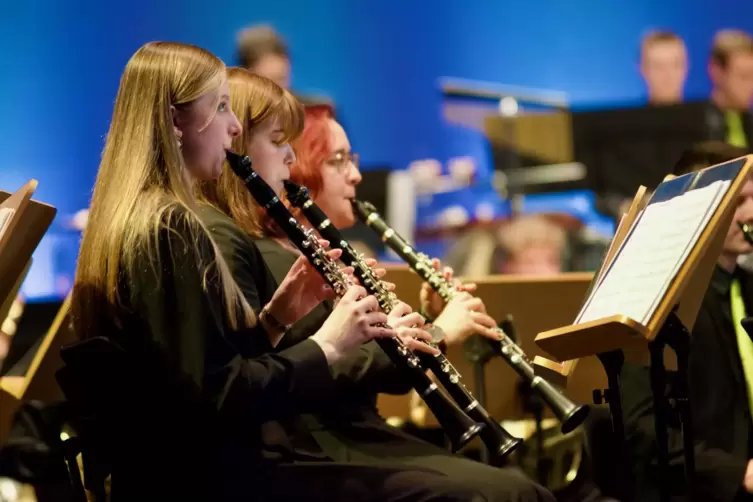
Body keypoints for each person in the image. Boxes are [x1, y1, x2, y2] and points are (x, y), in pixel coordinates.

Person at [71, 42, 483, 502]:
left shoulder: (134, 218)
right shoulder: (171, 226)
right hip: (212, 480)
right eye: (221, 107)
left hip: (177, 473)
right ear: (174, 120)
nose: (232, 128)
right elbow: (218, 400)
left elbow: (197, 376)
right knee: (494, 494)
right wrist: (330, 344)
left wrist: (276, 318)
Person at [199, 82, 556, 501]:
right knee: (505, 494)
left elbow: (352, 362)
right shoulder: (256, 250)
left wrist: (416, 329)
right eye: (337, 161)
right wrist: (436, 336)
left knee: (517, 488)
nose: (356, 174)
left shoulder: (300, 251)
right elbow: (309, 369)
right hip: (315, 447)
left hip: (350, 435)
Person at [622, 141, 753, 501]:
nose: (752, 213)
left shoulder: (747, 286)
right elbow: (641, 428)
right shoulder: (658, 300)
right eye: (739, 201)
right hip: (697, 490)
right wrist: (737, 473)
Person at [236, 24, 333, 108]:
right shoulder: (233, 121)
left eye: (280, 78)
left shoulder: (318, 114)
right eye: (267, 83)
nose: (277, 91)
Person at [706, 30, 753, 149]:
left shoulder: (749, 124)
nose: (751, 85)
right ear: (716, 72)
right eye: (744, 76)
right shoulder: (694, 128)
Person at [639, 30, 688, 106]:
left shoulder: (704, 116)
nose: (668, 75)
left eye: (675, 65)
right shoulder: (626, 117)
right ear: (643, 69)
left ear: (686, 67)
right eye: (658, 66)